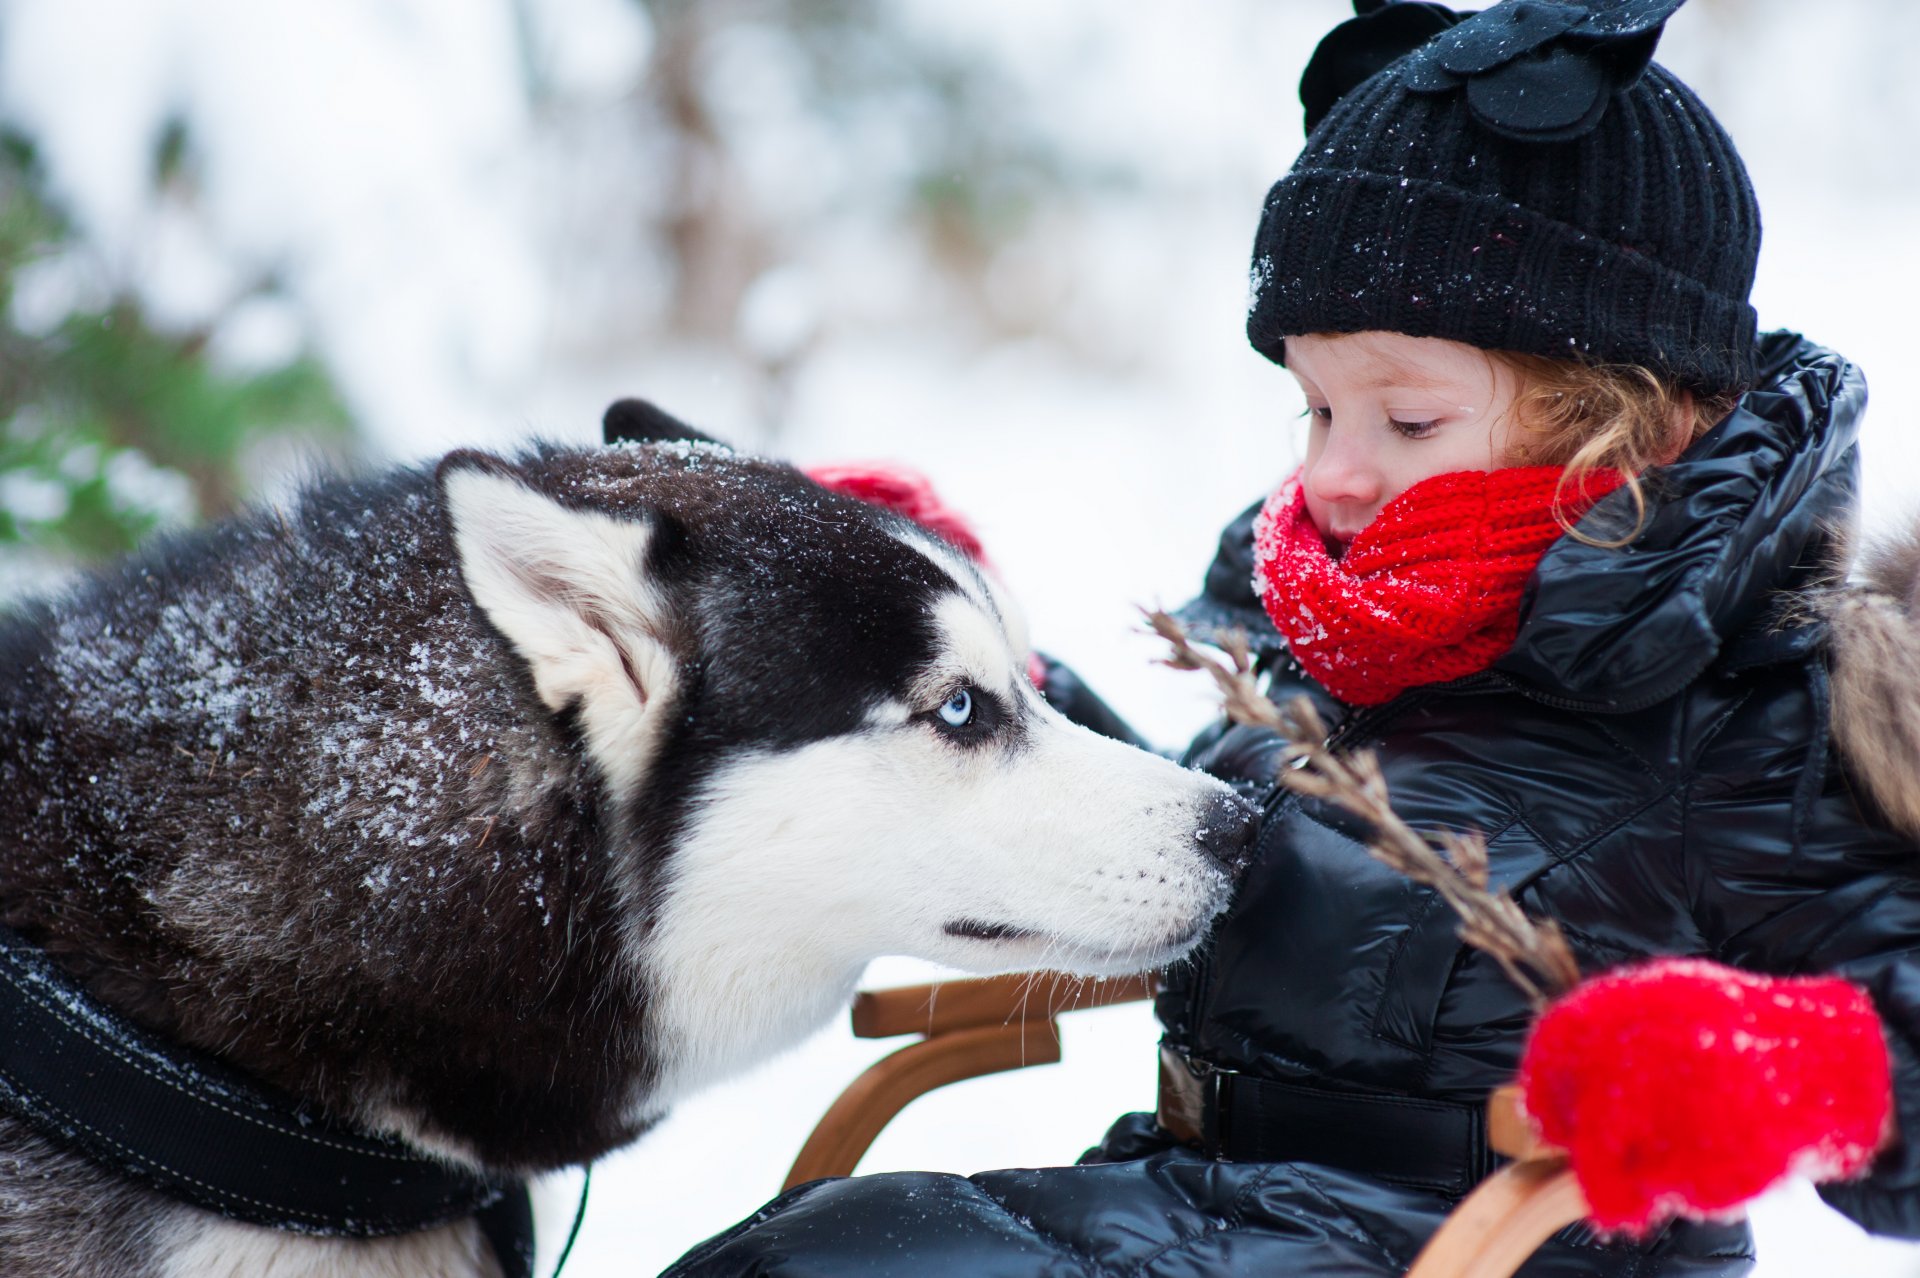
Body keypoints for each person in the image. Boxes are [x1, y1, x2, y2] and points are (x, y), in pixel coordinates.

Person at [665, 1, 1920, 1273]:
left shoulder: (1751, 705)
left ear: (1628, 425)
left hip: (1475, 1243)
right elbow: (1213, 855)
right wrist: (983, 690)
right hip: (1192, 1192)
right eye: (1316, 406)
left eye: (1407, 421)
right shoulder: (1330, 632)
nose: (1334, 471)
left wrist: (1804, 1070)